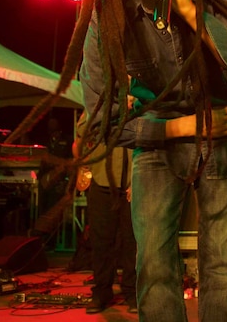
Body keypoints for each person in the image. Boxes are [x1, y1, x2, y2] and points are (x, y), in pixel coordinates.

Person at [51, 0, 227, 322]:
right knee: (152, 265)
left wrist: (190, 8)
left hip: (223, 127)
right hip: (160, 137)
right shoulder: (106, 15)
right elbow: (100, 123)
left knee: (222, 268)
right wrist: (179, 128)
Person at [73, 112, 138, 315]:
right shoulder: (98, 103)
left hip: (131, 182)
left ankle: (132, 292)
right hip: (102, 179)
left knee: (132, 242)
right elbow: (81, 135)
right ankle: (101, 291)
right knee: (101, 241)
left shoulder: (139, 98)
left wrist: (137, 179)